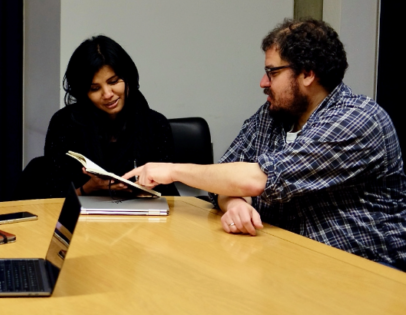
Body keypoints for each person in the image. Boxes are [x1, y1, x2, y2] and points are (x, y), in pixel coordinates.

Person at [125, 19, 406, 270]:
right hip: (289, 263)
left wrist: (173, 170)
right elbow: (226, 175)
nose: (262, 83)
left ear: (308, 74)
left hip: (365, 270)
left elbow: (259, 179)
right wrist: (233, 203)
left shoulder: (357, 119)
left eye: (272, 73)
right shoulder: (274, 114)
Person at [43, 35, 178, 198]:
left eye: (113, 82)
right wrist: (89, 188)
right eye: (94, 88)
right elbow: (51, 196)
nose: (107, 94)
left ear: (128, 77)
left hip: (143, 218)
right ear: (83, 92)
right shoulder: (65, 123)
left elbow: (168, 195)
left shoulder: (155, 124)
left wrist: (144, 191)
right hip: (82, 218)